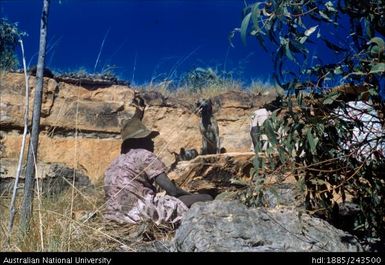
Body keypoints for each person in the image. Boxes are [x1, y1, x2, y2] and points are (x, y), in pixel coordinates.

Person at [104, 117, 213, 225]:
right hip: (140, 213)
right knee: (206, 198)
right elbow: (172, 191)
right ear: (140, 140)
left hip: (114, 215)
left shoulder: (114, 163)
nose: (152, 142)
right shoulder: (145, 156)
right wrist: (190, 194)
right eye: (148, 138)